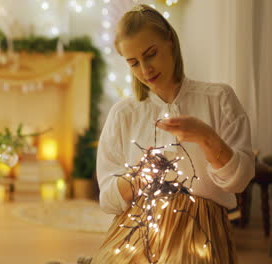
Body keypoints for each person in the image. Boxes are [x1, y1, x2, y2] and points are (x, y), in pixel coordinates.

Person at [92, 4, 254, 264]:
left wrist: (207, 138)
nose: (145, 70)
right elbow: (108, 200)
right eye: (133, 63)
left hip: (199, 227)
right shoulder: (124, 114)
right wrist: (137, 179)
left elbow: (239, 181)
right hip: (137, 226)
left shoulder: (218, 99)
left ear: (170, 41)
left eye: (151, 54)